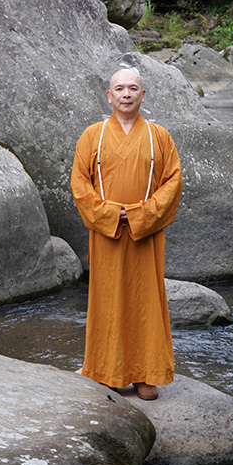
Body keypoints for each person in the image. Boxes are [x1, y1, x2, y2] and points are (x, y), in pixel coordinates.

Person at [70, 67, 182, 400]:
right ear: (109, 95)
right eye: (120, 89)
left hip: (143, 235)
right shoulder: (93, 135)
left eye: (133, 88)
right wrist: (108, 214)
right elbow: (79, 183)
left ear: (143, 95)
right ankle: (107, 369)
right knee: (108, 301)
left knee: (144, 301)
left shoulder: (158, 136)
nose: (127, 94)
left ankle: (146, 372)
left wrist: (139, 215)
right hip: (107, 235)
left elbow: (173, 182)